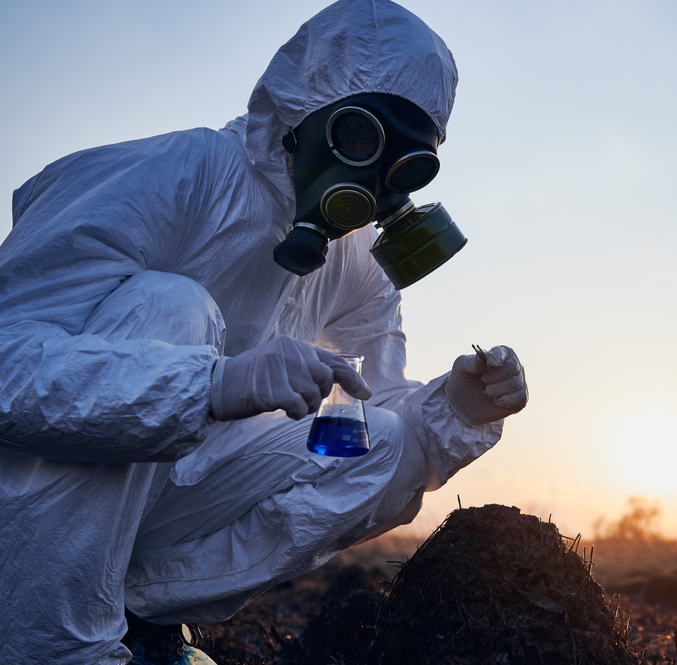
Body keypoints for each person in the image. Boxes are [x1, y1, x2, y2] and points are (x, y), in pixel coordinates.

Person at [0, 2, 528, 664]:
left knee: (384, 442)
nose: (371, 183)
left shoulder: (357, 258)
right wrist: (212, 383)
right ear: (303, 109)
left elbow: (378, 399)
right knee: (172, 307)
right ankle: (47, 642)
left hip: (153, 500)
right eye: (361, 140)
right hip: (27, 499)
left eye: (407, 165)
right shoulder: (181, 175)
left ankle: (133, 616)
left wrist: (455, 409)